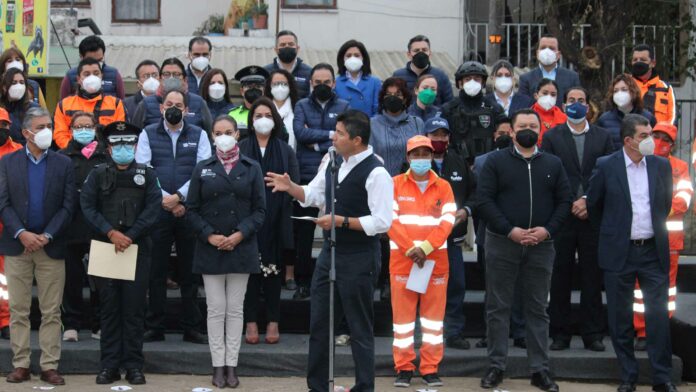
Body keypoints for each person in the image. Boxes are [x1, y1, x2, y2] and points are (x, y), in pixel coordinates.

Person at [265, 109, 393, 392]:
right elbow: (313, 195)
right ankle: (318, 386)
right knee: (320, 323)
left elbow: (382, 221)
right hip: (329, 255)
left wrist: (342, 221)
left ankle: (364, 387)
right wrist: (291, 188)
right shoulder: (333, 161)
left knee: (359, 327)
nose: (333, 137)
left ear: (357, 139)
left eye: (340, 133)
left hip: (360, 256)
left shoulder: (377, 171)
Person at [477, 109, 571, 391]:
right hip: (503, 242)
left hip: (542, 245)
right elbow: (484, 200)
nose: (527, 129)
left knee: (538, 308)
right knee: (498, 307)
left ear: (541, 129)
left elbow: (565, 201)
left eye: (533, 125)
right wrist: (510, 230)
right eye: (522, 126)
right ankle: (496, 366)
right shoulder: (496, 161)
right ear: (512, 131)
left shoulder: (553, 163)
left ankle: (540, 370)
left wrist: (547, 230)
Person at [586, 114, 677, 392]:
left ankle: (662, 378)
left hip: (652, 251)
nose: (651, 140)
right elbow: (594, 206)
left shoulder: (661, 166)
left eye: (650, 133)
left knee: (658, 318)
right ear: (628, 140)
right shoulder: (606, 166)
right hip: (619, 253)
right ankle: (628, 375)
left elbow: (664, 202)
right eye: (644, 135)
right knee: (620, 318)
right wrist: (613, 233)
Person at [185, 115, 265, 388]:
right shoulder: (202, 168)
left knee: (235, 310)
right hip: (211, 248)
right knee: (215, 309)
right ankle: (217, 365)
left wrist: (240, 234)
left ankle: (232, 365)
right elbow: (191, 210)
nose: (223, 136)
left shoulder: (252, 167)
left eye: (228, 131)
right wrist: (210, 235)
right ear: (212, 136)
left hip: (241, 246)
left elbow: (260, 210)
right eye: (218, 132)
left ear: (237, 134)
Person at [80, 121, 161, 385]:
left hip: (136, 248)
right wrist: (111, 232)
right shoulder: (97, 173)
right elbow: (87, 207)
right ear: (109, 148)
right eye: (117, 144)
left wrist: (131, 234)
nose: (123, 148)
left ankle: (134, 366)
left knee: (134, 310)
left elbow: (153, 208)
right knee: (110, 309)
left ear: (136, 146)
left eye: (128, 143)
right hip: (107, 248)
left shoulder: (147, 174)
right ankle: (109, 366)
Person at [0, 107, 75, 386]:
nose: (47, 132)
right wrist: (21, 233)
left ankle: (49, 365)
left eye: (49, 126)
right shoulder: (8, 163)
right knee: (18, 308)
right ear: (26, 132)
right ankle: (20, 364)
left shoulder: (63, 163)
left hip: (50, 246)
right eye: (41, 126)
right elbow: (2, 203)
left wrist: (47, 235)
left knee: (51, 310)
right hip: (17, 245)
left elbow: (68, 206)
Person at [540, 87, 614, 352]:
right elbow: (548, 172)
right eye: (571, 100)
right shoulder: (551, 136)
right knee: (560, 275)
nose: (576, 105)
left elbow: (605, 173)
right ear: (564, 104)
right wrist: (571, 201)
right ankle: (560, 333)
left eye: (581, 100)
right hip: (562, 216)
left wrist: (587, 201)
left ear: (588, 105)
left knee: (592, 277)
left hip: (593, 216)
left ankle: (592, 333)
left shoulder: (603, 137)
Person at [135, 89, 212, 344]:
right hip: (158, 211)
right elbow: (143, 169)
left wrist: (179, 198)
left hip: (188, 211)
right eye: (169, 104)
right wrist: (166, 199)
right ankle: (154, 325)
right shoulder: (147, 134)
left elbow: (202, 170)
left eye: (179, 104)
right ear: (161, 107)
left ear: (187, 110)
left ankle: (191, 326)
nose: (174, 108)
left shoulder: (199, 135)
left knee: (190, 272)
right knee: (155, 271)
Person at [389, 135, 454, 388]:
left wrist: (425, 248)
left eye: (425, 154)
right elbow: (390, 221)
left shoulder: (444, 186)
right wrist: (411, 249)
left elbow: (448, 222)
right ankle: (403, 368)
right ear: (407, 158)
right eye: (415, 155)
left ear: (432, 156)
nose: (420, 159)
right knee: (403, 321)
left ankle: (429, 368)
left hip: (435, 261)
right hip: (403, 261)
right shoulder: (394, 184)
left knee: (433, 321)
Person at [239, 98, 299, 345]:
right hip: (246, 218)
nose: (262, 119)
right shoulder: (241, 146)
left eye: (267, 114)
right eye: (257, 115)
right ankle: (251, 322)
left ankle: (273, 321)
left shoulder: (285, 149)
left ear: (274, 120)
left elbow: (294, 182)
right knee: (250, 273)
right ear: (251, 121)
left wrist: (284, 186)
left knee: (273, 273)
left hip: (277, 218)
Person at [292, 63, 350, 300]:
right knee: (303, 235)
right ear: (310, 83)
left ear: (334, 84)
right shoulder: (302, 105)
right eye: (317, 82)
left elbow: (343, 139)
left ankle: (334, 283)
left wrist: (315, 142)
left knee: (334, 233)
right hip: (306, 175)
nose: (322, 86)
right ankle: (302, 283)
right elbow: (300, 133)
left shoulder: (344, 106)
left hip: (335, 176)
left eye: (327, 82)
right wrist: (328, 136)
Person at [633, 122, 692, 353]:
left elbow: (684, 198)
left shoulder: (680, 167)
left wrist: (657, 210)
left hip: (670, 239)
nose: (659, 142)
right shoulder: (638, 163)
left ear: (672, 144)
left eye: (664, 138)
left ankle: (662, 328)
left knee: (667, 289)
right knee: (639, 288)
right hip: (643, 236)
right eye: (654, 136)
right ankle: (642, 331)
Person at [472, 117, 528, 350]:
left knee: (522, 286)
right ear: (494, 136)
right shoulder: (482, 161)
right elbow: (481, 200)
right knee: (494, 288)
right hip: (492, 231)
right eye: (500, 132)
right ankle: (492, 333)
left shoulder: (529, 160)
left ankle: (521, 330)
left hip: (522, 231)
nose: (504, 136)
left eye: (509, 131)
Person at [422, 117, 476, 351]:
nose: (439, 139)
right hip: (423, 241)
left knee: (455, 286)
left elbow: (475, 192)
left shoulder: (458, 161)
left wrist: (466, 211)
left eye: (443, 135)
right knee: (422, 288)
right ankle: (422, 334)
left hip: (451, 240)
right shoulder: (416, 163)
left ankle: (453, 332)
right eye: (434, 135)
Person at [59, 112, 109, 343]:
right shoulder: (62, 157)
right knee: (72, 279)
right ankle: (71, 323)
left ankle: (99, 323)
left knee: (100, 280)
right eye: (78, 126)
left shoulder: (106, 156)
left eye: (87, 126)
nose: (83, 130)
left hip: (99, 228)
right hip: (70, 228)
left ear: (95, 128)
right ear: (71, 129)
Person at [53, 58, 127, 149]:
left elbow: (120, 133)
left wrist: (103, 151)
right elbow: (60, 134)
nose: (92, 77)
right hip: (73, 157)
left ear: (101, 76)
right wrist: (77, 151)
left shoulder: (116, 104)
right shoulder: (63, 105)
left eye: (96, 73)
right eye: (86, 74)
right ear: (79, 79)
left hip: (105, 157)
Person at [441, 61, 505, 164]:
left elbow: (503, 137)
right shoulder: (448, 109)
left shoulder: (494, 108)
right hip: (457, 164)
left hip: (488, 164)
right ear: (460, 83)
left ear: (483, 83)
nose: (472, 82)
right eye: (467, 79)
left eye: (477, 79)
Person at [131, 57, 213, 132]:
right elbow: (135, 135)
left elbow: (210, 134)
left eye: (176, 74)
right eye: (166, 74)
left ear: (185, 79)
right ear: (160, 79)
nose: (171, 78)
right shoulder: (146, 104)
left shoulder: (198, 103)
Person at [370, 77, 424, 176]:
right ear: (382, 98)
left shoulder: (417, 123)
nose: (392, 97)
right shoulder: (372, 124)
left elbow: (423, 155)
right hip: (382, 183)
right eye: (388, 94)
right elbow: (370, 159)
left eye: (398, 94)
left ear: (405, 99)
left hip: (411, 183)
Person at [0, 108, 23, 341]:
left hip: (9, 223)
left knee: (5, 279)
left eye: (4, 124)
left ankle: (6, 320)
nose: (1, 129)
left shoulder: (18, 152)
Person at [597, 74, 657, 150]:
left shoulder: (647, 117)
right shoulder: (604, 119)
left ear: (633, 92)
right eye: (616, 91)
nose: (619, 93)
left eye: (624, 89)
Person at [518, 34, 581, 107]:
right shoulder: (526, 79)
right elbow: (523, 107)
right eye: (543, 47)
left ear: (558, 55)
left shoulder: (572, 77)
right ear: (537, 53)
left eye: (551, 48)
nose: (547, 51)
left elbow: (576, 104)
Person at [392, 35, 454, 106]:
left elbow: (449, 104)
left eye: (424, 50)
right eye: (416, 50)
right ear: (409, 54)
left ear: (430, 53)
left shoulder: (440, 76)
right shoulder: (398, 76)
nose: (421, 53)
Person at [60, 35, 125, 99]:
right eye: (91, 61)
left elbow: (122, 103)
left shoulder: (114, 74)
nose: (96, 65)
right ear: (81, 57)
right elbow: (63, 104)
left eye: (100, 60)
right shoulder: (71, 76)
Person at [631, 44, 676, 125]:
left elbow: (673, 118)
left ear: (653, 63)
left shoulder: (666, 88)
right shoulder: (626, 86)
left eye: (643, 59)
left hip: (659, 136)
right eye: (635, 60)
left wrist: (662, 136)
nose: (638, 62)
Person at [334, 39, 381, 117]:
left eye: (356, 55)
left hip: (368, 127)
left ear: (363, 58)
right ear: (343, 59)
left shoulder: (375, 82)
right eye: (348, 56)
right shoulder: (335, 82)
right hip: (344, 127)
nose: (353, 58)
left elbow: (378, 110)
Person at [264, 30, 312, 98]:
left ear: (297, 48)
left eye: (291, 44)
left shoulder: (309, 72)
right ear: (276, 50)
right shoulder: (265, 72)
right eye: (282, 45)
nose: (287, 47)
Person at [229, 65, 270, 139]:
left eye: (258, 86)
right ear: (241, 91)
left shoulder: (271, 113)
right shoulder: (232, 115)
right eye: (249, 87)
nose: (254, 90)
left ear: (263, 90)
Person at [0, 67, 39, 144]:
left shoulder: (34, 109)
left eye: (22, 82)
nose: (19, 86)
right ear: (4, 87)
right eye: (14, 82)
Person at [264, 69, 299, 151]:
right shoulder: (263, 108)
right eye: (275, 84)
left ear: (290, 86)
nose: (280, 88)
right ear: (269, 86)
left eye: (284, 84)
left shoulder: (298, 109)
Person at [531, 78, 566, 145]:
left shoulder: (565, 119)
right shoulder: (526, 117)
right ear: (536, 95)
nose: (549, 97)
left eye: (553, 94)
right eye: (545, 93)